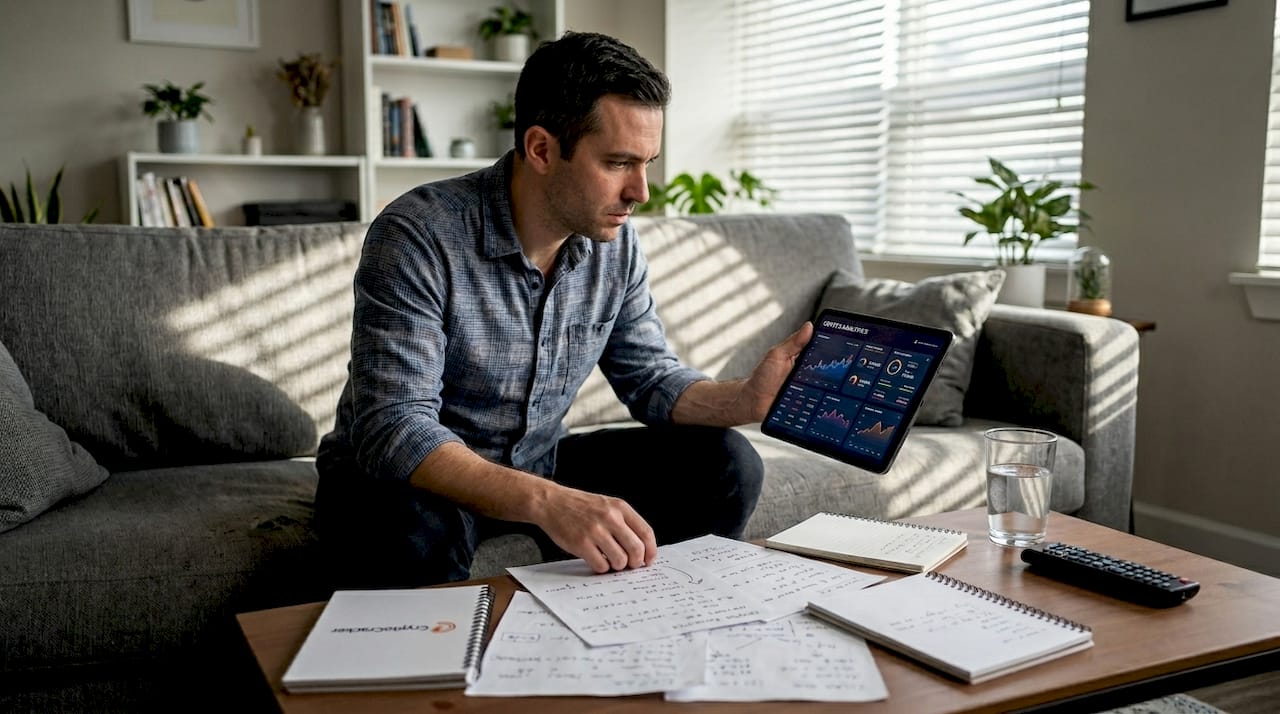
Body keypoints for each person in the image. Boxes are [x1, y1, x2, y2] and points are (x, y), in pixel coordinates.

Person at [315, 31, 813, 588]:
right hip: (409, 478)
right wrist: (551, 504)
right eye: (619, 162)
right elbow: (395, 428)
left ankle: (657, 616)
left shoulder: (614, 244)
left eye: (647, 161)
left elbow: (649, 378)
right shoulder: (417, 234)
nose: (642, 191)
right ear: (542, 149)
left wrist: (746, 397)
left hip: (536, 459)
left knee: (726, 463)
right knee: (408, 528)